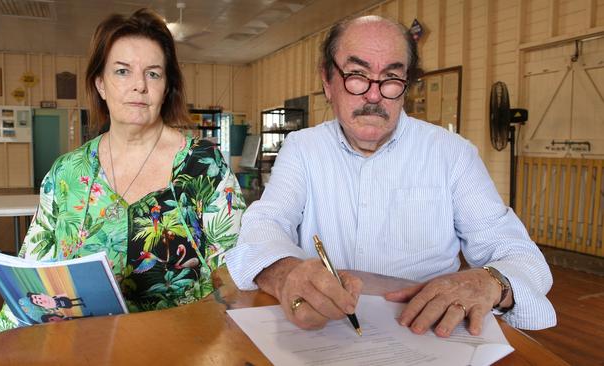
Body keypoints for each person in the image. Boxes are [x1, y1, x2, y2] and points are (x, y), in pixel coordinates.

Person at [226, 15, 555, 337]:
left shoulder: (452, 154)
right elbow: (266, 223)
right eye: (357, 75)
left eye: (391, 78)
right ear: (328, 81)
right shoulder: (303, 148)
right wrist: (285, 274)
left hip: (428, 335)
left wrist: (490, 282)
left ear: (406, 85)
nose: (373, 95)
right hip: (325, 332)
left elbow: (521, 257)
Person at [0, 8, 245, 331]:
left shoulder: (204, 167)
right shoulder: (66, 175)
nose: (139, 85)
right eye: (123, 72)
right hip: (83, 349)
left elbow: (241, 274)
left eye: (153, 73)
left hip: (185, 349)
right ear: (100, 84)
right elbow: (30, 277)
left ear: (167, 87)